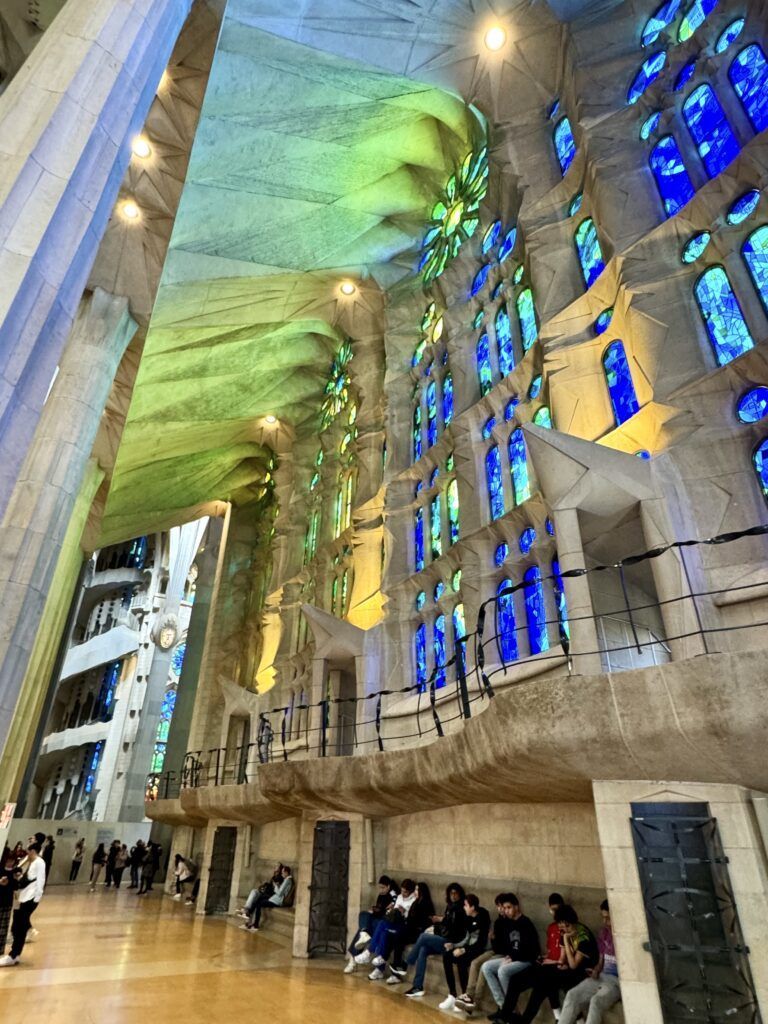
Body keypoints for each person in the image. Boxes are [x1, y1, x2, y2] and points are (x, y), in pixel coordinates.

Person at [496, 904, 598, 1024]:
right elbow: (562, 959)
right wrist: (558, 962)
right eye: (559, 924)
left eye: (563, 924)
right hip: (565, 968)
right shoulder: (564, 931)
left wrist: (565, 939)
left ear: (568, 922)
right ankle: (505, 1017)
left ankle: (525, 1021)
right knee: (517, 979)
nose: (560, 927)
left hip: (581, 972)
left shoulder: (582, 936)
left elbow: (574, 965)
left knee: (543, 982)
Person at [467, 894, 540, 1015]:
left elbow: (532, 950)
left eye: (509, 907)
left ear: (516, 907)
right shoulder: (509, 923)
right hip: (512, 958)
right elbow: (506, 946)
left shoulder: (526, 923)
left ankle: (511, 1010)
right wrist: (505, 951)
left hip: (525, 960)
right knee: (486, 967)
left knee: (503, 971)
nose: (506, 910)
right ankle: (503, 1005)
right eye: (504, 908)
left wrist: (513, 957)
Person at [398, 881, 468, 998]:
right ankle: (418, 986)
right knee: (423, 949)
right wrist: (437, 924)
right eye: (451, 893)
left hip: (451, 942)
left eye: (456, 893)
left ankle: (407, 962)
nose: (453, 896)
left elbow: (455, 929)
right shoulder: (450, 907)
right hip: (444, 937)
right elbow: (446, 926)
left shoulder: (460, 909)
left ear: (460, 895)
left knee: (423, 937)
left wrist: (441, 921)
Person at [558, 901, 620, 1024]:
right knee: (572, 995)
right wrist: (596, 970)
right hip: (601, 977)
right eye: (603, 917)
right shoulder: (604, 934)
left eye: (608, 918)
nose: (604, 922)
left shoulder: (625, 937)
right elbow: (601, 961)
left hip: (616, 982)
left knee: (596, 1001)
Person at [349, 878, 417, 977]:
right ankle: (377, 966)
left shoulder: (412, 900)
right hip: (389, 921)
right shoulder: (397, 897)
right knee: (376, 926)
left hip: (401, 926)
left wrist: (404, 912)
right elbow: (389, 911)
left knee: (381, 926)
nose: (402, 893)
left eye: (405, 892)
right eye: (401, 891)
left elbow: (411, 918)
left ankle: (369, 952)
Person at [438, 894, 491, 1012]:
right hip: (469, 947)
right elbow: (466, 938)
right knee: (447, 956)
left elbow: (481, 943)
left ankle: (464, 996)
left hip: (480, 949)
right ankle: (452, 994)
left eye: (466, 905)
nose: (464, 908)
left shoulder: (483, 917)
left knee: (462, 961)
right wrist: (454, 945)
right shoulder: (467, 918)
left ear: (472, 907)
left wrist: (463, 950)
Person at [0, 842, 46, 966]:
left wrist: (36, 899)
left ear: (33, 851)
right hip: (23, 898)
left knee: (20, 926)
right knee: (17, 926)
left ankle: (14, 955)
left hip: (30, 899)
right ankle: (15, 954)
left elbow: (40, 881)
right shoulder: (32, 863)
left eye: (28, 852)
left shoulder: (39, 863)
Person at [386, 880, 435, 983]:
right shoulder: (416, 902)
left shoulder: (425, 903)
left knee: (399, 936)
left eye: (417, 890)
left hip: (419, 931)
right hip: (411, 928)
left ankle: (399, 967)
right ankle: (395, 967)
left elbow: (422, 921)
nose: (415, 892)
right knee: (395, 936)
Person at [346, 875, 399, 959]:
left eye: (383, 888)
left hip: (381, 921)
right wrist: (373, 910)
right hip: (376, 917)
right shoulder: (381, 895)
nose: (381, 890)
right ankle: (364, 932)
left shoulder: (392, 896)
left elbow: (386, 910)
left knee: (365, 929)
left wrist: (376, 910)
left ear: (388, 886)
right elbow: (379, 907)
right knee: (363, 915)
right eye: (380, 888)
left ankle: (353, 958)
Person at [245, 865, 294, 930]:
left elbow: (279, 893)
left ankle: (254, 922)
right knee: (258, 900)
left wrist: (276, 886)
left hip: (277, 901)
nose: (282, 874)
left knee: (259, 904)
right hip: (275, 899)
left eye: (282, 872)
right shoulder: (287, 880)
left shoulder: (287, 881)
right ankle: (251, 918)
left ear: (286, 873)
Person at [0, 856, 18, 954]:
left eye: (12, 861)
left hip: (7, 902)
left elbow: (15, 887)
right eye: (8, 861)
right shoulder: (1, 870)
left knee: (4, 927)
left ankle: (1, 950)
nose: (10, 863)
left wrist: (15, 879)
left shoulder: (14, 873)